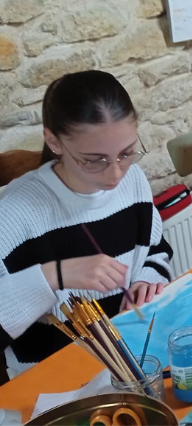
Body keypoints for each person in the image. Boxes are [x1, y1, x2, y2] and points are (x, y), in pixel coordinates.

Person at [0, 70, 174, 379]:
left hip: (132, 358)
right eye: (94, 160)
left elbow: (155, 248)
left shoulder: (133, 181)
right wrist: (55, 275)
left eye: (127, 153)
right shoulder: (13, 213)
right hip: (55, 375)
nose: (116, 174)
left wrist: (146, 280)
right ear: (53, 141)